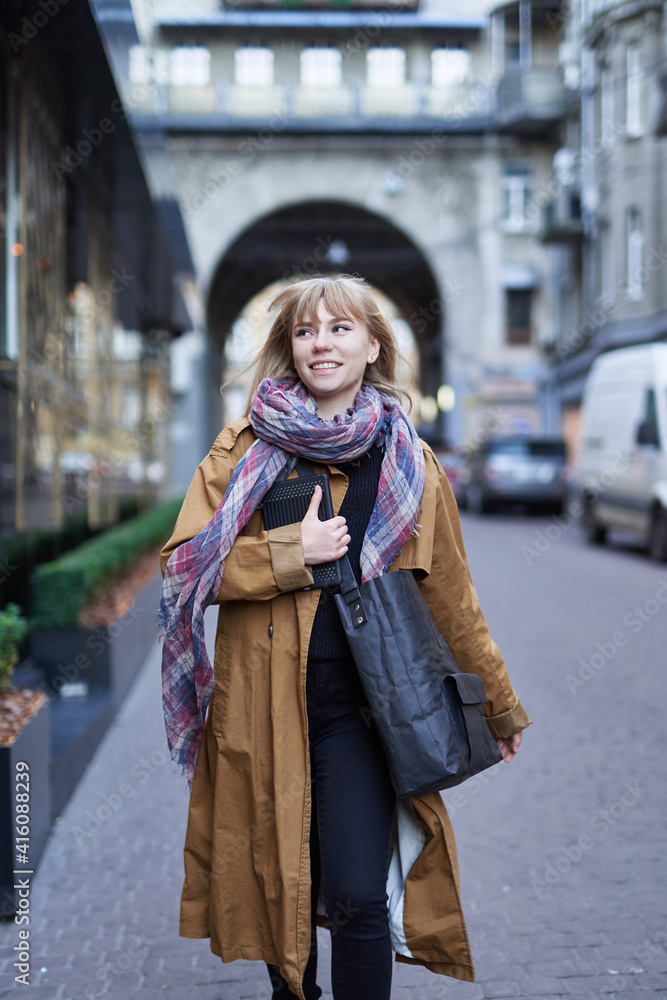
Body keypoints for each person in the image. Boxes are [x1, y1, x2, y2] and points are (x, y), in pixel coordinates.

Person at [158, 273, 531, 1000]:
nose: (319, 344)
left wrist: (501, 706)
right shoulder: (242, 450)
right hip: (262, 707)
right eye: (303, 332)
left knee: (358, 895)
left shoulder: (411, 466)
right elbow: (181, 568)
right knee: (280, 894)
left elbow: (452, 600)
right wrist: (292, 554)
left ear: (371, 346)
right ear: (288, 349)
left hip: (361, 711)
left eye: (337, 329)